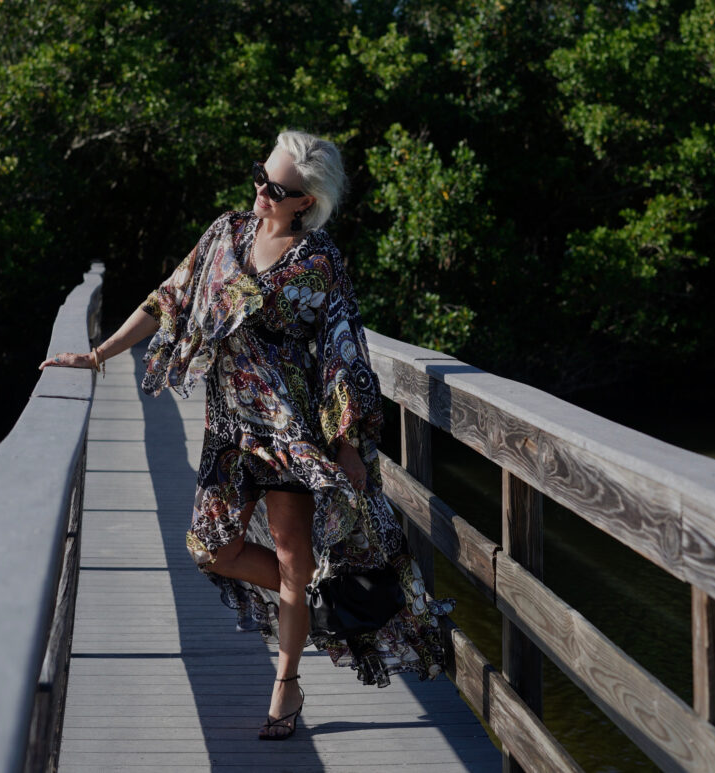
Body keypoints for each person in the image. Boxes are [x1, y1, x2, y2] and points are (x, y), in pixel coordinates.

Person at [39, 130, 454, 740]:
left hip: (290, 431)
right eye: (260, 175)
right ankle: (310, 602)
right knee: (211, 547)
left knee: (291, 555)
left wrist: (345, 442)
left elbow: (344, 351)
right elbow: (168, 299)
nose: (261, 190)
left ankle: (285, 686)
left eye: (277, 188)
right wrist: (98, 354)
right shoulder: (225, 234)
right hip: (229, 427)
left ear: (305, 201)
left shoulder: (319, 261)